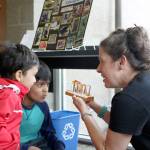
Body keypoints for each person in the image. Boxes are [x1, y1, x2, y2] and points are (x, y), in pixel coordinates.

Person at [72, 26, 150, 150]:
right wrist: (91, 103)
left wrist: (84, 112)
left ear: (121, 62)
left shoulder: (129, 99)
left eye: (102, 61)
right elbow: (122, 122)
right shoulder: (143, 83)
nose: (98, 69)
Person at [0, 43, 39, 149]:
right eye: (33, 75)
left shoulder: (7, 92)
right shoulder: (8, 95)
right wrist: (10, 145)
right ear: (19, 75)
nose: (35, 80)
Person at [20, 61, 65, 150]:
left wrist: (58, 145)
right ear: (27, 82)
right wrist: (26, 148)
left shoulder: (43, 106)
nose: (46, 90)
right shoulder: (11, 105)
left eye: (47, 84)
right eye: (40, 84)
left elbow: (48, 133)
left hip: (38, 143)